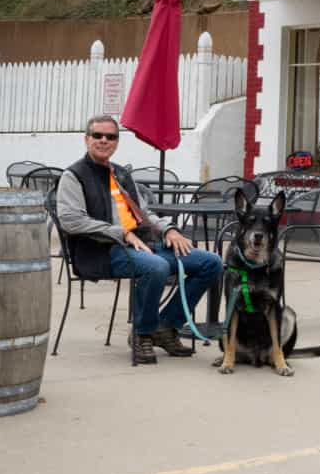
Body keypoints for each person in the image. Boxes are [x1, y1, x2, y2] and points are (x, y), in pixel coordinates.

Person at [56, 114, 223, 364]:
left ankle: (166, 326)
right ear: (86, 139)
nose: (104, 140)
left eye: (110, 136)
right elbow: (71, 219)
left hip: (144, 244)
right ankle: (142, 333)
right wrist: (121, 233)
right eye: (97, 136)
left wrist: (169, 231)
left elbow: (145, 213)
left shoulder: (121, 174)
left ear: (116, 142)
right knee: (157, 266)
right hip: (102, 251)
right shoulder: (74, 175)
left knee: (211, 262)